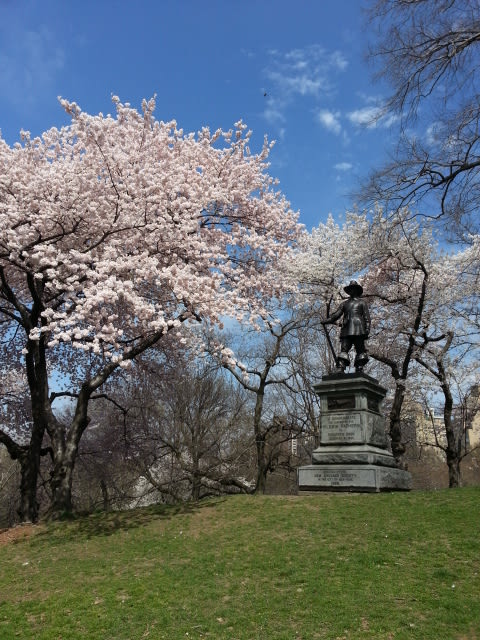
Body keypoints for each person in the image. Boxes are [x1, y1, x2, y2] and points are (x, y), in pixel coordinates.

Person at [322, 280, 371, 373]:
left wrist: (367, 328)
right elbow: (336, 315)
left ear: (356, 290)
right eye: (350, 289)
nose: (352, 291)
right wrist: (327, 320)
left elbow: (366, 317)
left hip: (359, 328)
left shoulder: (362, 303)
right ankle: (341, 366)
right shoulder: (344, 304)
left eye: (353, 289)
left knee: (360, 349)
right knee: (344, 348)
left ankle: (359, 366)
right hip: (347, 327)